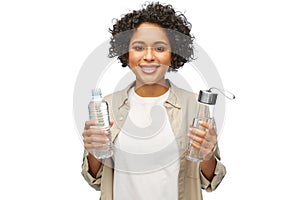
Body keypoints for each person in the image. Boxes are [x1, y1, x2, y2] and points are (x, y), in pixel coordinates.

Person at [82, 2, 226, 200]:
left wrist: (207, 154)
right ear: (127, 53)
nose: (149, 57)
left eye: (159, 48)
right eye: (139, 47)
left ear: (172, 54)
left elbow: (211, 181)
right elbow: (94, 179)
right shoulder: (106, 106)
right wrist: (93, 151)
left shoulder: (195, 106)